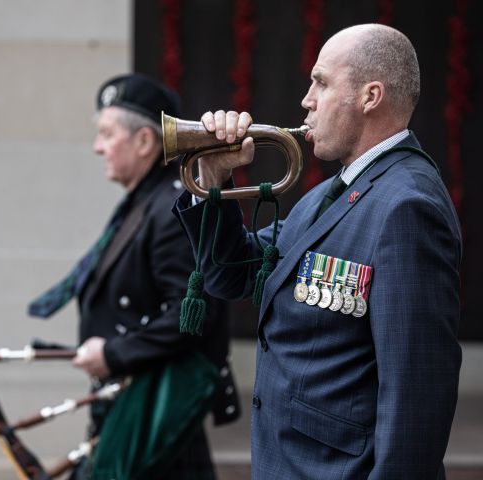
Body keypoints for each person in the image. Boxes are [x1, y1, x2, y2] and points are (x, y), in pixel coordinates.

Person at [174, 24, 462, 479]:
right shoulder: (333, 191)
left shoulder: (407, 206)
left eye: (321, 82)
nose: (307, 99)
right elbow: (231, 275)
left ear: (370, 97)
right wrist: (212, 180)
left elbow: (417, 396)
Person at [28, 73, 240, 478]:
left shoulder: (171, 206)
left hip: (156, 413)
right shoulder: (147, 202)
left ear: (144, 141)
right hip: (138, 408)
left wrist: (113, 354)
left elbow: (192, 314)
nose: (97, 147)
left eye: (107, 135)